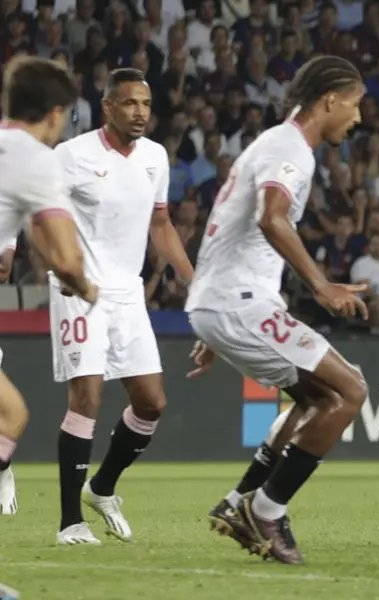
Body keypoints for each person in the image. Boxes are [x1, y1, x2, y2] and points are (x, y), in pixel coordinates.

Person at [185, 55, 370, 565]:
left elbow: (226, 224)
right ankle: (265, 509)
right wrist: (321, 285)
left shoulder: (270, 144)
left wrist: (210, 316)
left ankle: (237, 501)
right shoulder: (291, 149)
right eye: (353, 107)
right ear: (329, 101)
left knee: (315, 396)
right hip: (237, 302)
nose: (357, 119)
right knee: (349, 389)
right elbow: (271, 218)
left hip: (226, 300)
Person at [41, 68, 193, 546]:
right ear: (107, 107)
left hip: (127, 293)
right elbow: (41, 217)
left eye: (146, 104)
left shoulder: (154, 157)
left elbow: (162, 226)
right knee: (86, 398)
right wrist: (60, 267)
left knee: (152, 402)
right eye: (130, 103)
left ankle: (101, 487)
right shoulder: (72, 155)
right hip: (78, 290)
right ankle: (70, 522)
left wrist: (197, 283)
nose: (141, 112)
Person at [0, 56, 98, 518]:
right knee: (10, 416)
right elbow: (65, 258)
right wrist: (85, 286)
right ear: (57, 113)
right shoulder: (36, 160)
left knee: (9, 414)